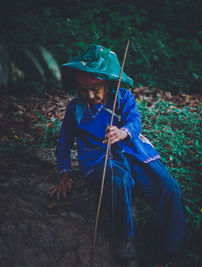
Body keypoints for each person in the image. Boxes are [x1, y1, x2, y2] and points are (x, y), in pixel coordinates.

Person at [49, 44, 186, 263]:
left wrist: (123, 132)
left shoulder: (123, 98)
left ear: (107, 83)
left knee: (169, 188)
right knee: (119, 181)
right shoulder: (75, 109)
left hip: (133, 152)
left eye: (96, 88)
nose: (90, 95)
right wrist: (64, 174)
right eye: (84, 89)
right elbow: (64, 143)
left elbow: (135, 121)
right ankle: (125, 238)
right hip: (99, 158)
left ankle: (171, 249)